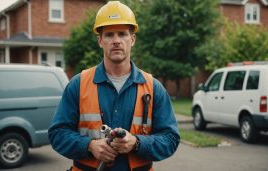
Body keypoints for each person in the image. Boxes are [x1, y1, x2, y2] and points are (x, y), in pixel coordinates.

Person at [48, 1, 180, 171]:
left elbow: (170, 139)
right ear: (100, 41)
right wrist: (90, 146)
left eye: (122, 34)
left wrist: (137, 143)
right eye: (109, 35)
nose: (116, 41)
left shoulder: (153, 87)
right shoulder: (78, 84)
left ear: (132, 39)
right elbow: (57, 134)